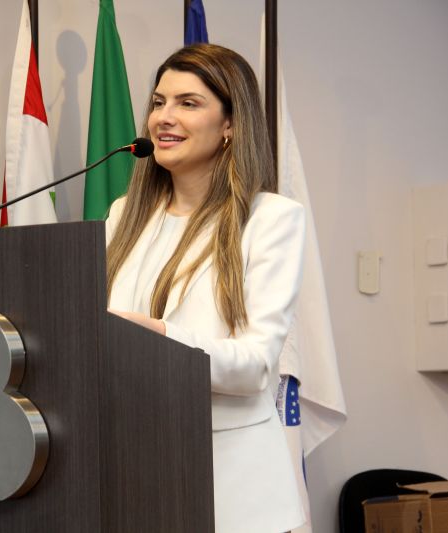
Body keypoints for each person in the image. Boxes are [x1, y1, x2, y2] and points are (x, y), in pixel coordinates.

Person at [105, 44, 306, 533]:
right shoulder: (123, 216)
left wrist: (160, 337)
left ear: (230, 124)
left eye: (188, 103)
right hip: (132, 479)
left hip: (234, 496)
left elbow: (256, 366)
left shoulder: (271, 220)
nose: (163, 117)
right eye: (158, 102)